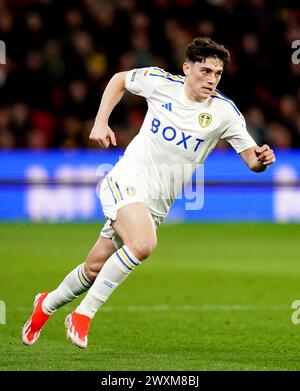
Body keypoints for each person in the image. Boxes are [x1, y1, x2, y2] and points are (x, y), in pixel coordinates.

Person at [22, 37, 276, 349]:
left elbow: (250, 158)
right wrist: (101, 122)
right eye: (205, 70)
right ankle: (83, 315)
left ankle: (44, 305)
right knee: (143, 244)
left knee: (93, 268)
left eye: (217, 74)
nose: (211, 79)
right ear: (187, 68)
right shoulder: (160, 83)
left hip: (154, 205)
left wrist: (261, 160)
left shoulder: (224, 112)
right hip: (125, 180)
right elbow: (119, 80)